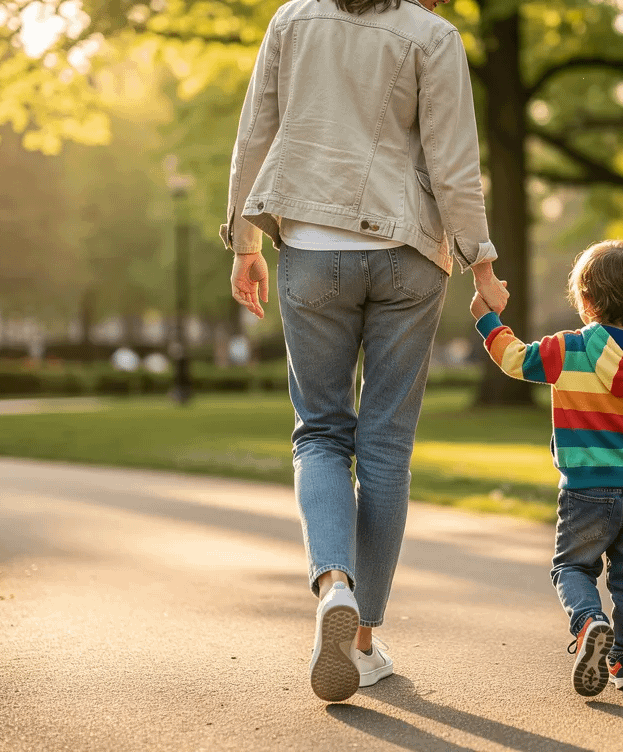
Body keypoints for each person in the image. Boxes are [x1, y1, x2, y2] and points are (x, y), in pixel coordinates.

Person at [223, 0, 509, 702]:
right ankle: (361, 643)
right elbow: (453, 160)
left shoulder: (292, 20)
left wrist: (244, 240)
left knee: (320, 432)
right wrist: (481, 264)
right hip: (407, 252)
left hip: (311, 249)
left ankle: (334, 586)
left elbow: (256, 129)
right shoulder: (433, 35)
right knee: (385, 444)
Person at [471, 240, 623, 696]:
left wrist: (487, 320)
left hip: (586, 491)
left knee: (572, 568)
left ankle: (588, 622)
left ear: (587, 299)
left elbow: (515, 360)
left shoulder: (568, 349)